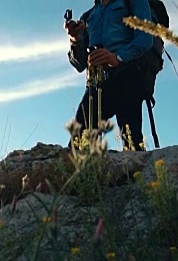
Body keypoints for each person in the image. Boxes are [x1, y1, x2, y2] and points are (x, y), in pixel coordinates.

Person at [65, 0, 154, 151]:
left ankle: (133, 174)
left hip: (127, 76)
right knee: (78, 144)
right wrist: (75, 40)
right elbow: (80, 65)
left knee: (131, 141)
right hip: (96, 83)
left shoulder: (133, 2)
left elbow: (145, 39)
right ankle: (86, 173)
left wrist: (117, 57)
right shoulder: (88, 16)